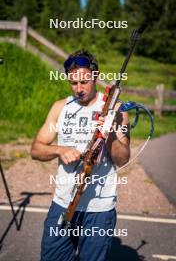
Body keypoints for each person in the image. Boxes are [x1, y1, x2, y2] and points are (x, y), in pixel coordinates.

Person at [31, 49, 130, 261]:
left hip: (99, 209)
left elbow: (122, 159)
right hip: (63, 203)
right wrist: (60, 149)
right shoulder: (60, 108)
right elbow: (36, 148)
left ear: (95, 76)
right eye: (73, 83)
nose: (79, 89)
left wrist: (110, 131)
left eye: (84, 82)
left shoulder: (117, 110)